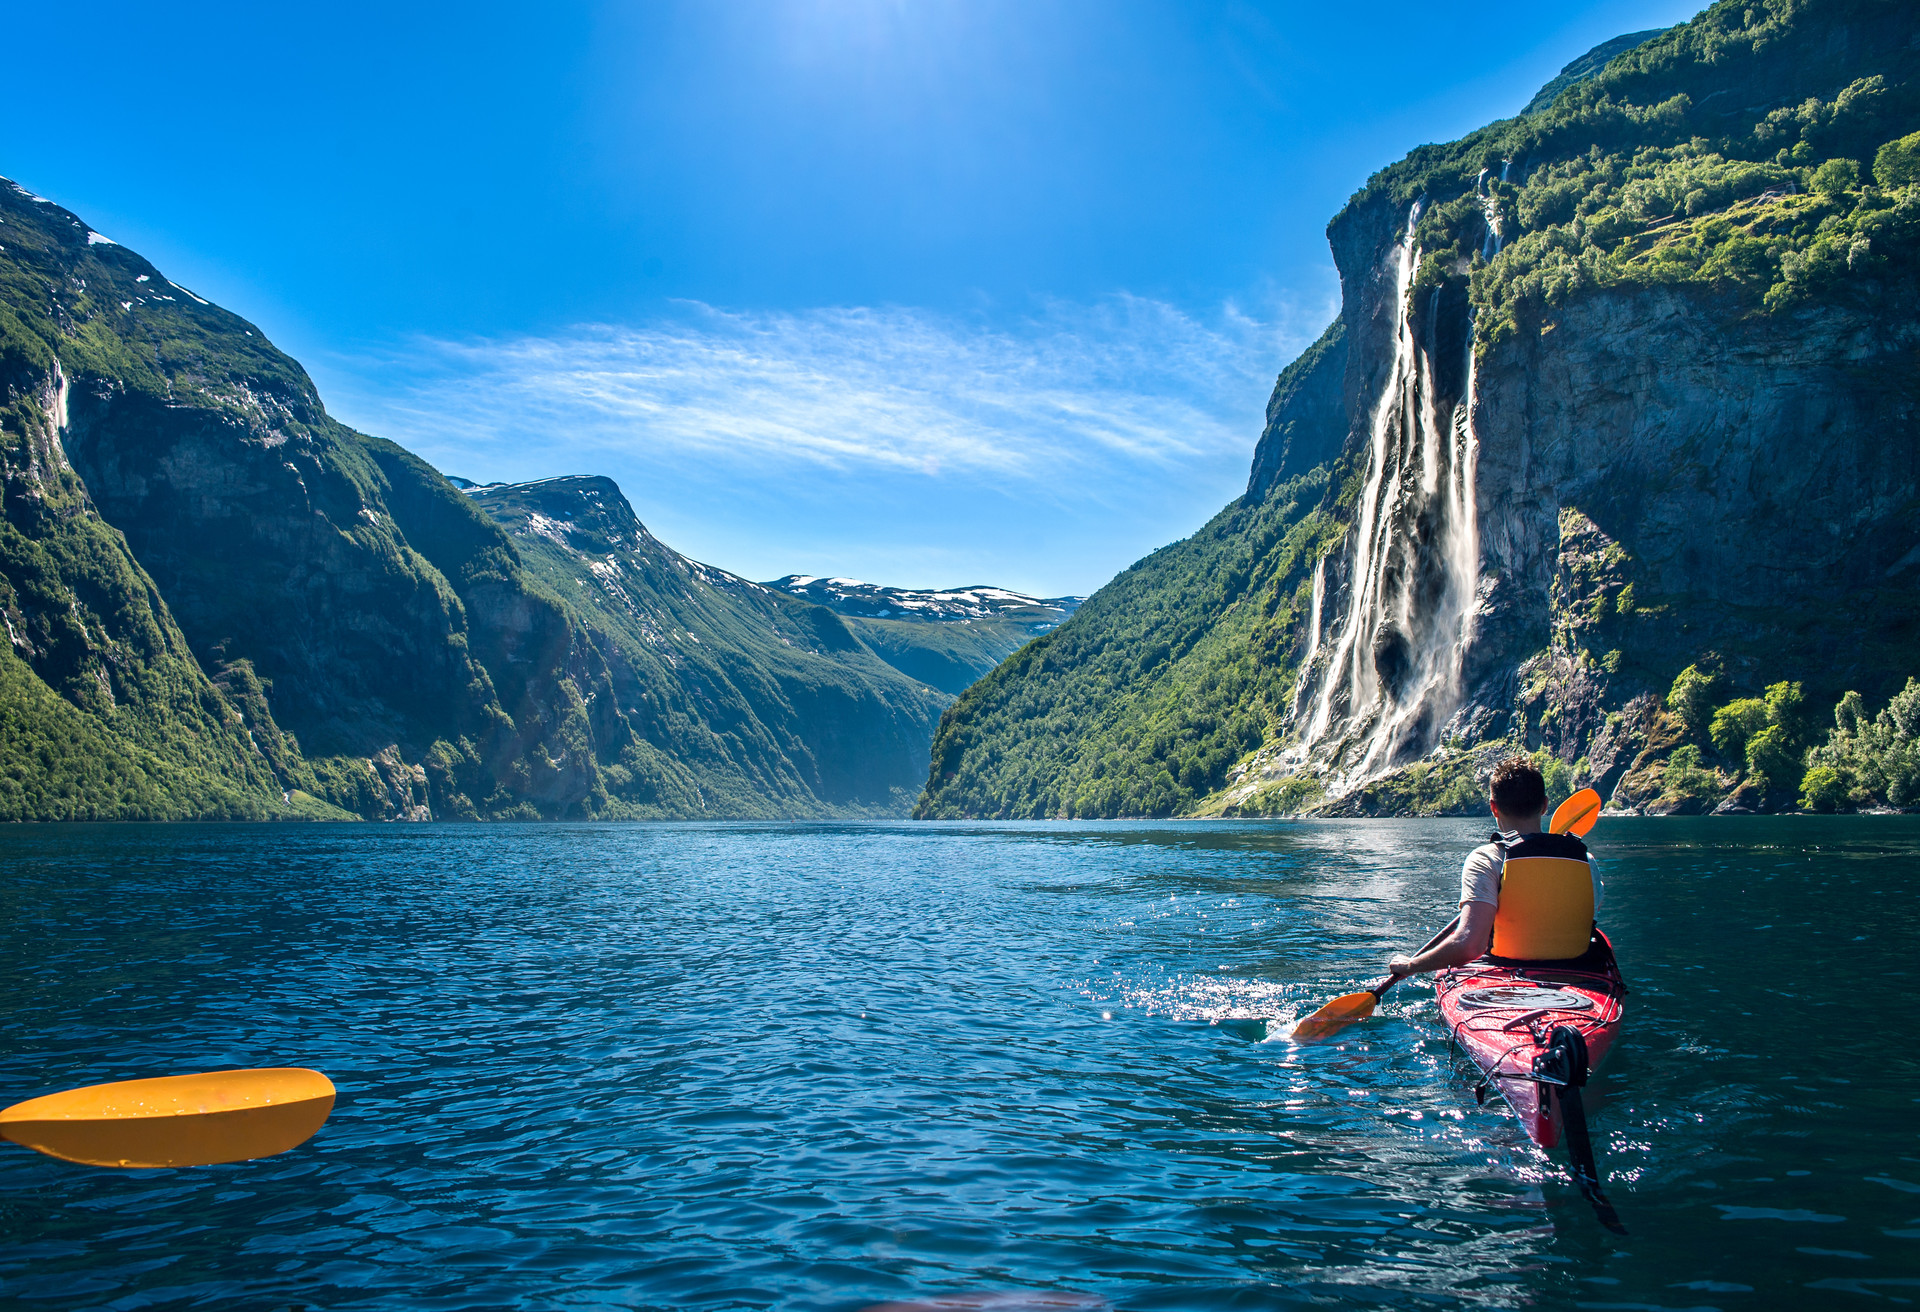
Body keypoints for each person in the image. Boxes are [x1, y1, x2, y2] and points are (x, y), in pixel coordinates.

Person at [1386, 756, 1606, 977]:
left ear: (1493, 807)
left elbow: (1469, 945)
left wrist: (1411, 966)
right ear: (1545, 805)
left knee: (1442, 972)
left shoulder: (1486, 859)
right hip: (1580, 973)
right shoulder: (1585, 859)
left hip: (1508, 972)